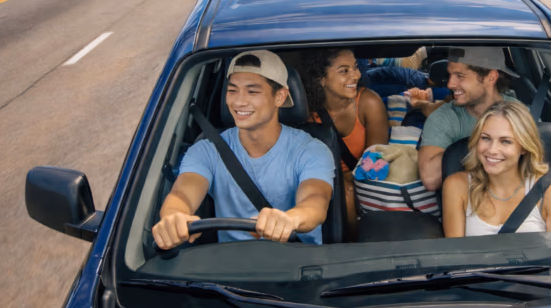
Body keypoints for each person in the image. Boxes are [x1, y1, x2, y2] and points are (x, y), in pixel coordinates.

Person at [152, 50, 334, 249]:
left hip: (298, 263)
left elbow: (315, 201)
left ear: (280, 97)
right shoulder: (207, 149)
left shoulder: (311, 149)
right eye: (232, 90)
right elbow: (182, 195)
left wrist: (290, 219)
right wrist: (173, 216)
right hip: (232, 266)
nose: (238, 101)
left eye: (252, 91)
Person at [442, 100, 551, 237]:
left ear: (524, 148)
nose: (492, 150)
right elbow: (455, 255)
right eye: (485, 138)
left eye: (505, 141)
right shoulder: (457, 186)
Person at [303, 48, 390, 228]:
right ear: (321, 79)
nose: (356, 75)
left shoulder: (369, 103)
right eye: (344, 71)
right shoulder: (306, 113)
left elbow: (376, 163)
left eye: (356, 67)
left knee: (347, 193)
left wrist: (345, 182)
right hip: (320, 182)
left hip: (362, 181)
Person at [418, 47, 520, 191]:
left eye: (460, 76)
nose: (450, 84)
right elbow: (430, 179)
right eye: (450, 75)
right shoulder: (444, 118)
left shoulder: (520, 114)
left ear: (490, 77)